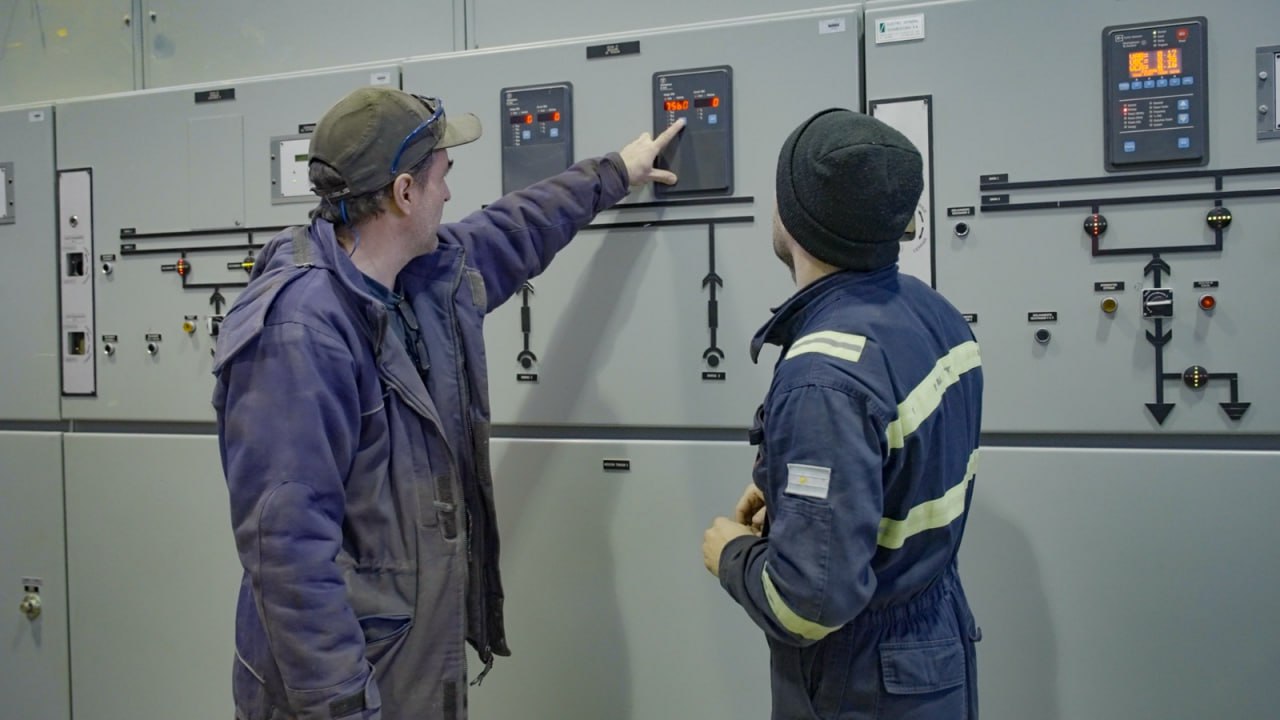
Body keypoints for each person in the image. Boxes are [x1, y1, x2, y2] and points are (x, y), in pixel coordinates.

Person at [213, 86, 684, 720]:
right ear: (405, 193)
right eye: (442, 176)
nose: (449, 193)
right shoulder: (300, 333)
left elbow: (514, 230)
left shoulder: (418, 278)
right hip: (349, 690)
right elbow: (289, 558)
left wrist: (615, 173)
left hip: (409, 667)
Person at [701, 108, 984, 719]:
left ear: (793, 215)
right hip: (933, 651)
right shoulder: (934, 314)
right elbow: (899, 471)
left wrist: (732, 555)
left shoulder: (823, 376)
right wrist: (790, 490)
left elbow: (807, 606)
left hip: (861, 683)